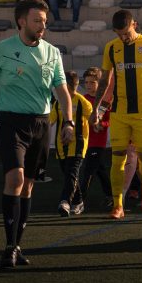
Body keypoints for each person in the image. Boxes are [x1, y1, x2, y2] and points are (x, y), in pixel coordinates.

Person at [0, 0, 72, 269]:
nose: (42, 26)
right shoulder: (3, 49)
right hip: (10, 122)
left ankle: (17, 245)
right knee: (15, 178)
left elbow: (62, 91)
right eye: (37, 20)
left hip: (41, 124)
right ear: (21, 21)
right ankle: (9, 246)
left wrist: (68, 122)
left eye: (45, 21)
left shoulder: (52, 52)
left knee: (28, 185)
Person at [91, 10, 142, 219]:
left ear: (134, 25)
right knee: (118, 158)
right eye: (119, 34)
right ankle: (118, 205)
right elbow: (106, 82)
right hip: (119, 113)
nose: (124, 38)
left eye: (126, 33)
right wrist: (97, 110)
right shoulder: (111, 48)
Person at [50, 70, 93, 217]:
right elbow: (50, 120)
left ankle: (65, 202)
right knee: (70, 176)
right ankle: (78, 201)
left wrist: (97, 122)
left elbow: (93, 119)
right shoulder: (58, 103)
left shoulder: (83, 102)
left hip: (78, 146)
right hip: (61, 146)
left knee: (71, 174)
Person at [78, 68, 113, 210]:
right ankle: (111, 195)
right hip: (85, 140)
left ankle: (79, 200)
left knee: (88, 170)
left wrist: (101, 125)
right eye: (86, 82)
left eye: (92, 82)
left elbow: (110, 120)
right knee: (100, 169)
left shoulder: (105, 101)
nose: (88, 85)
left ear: (100, 84)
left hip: (98, 141)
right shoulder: (83, 99)